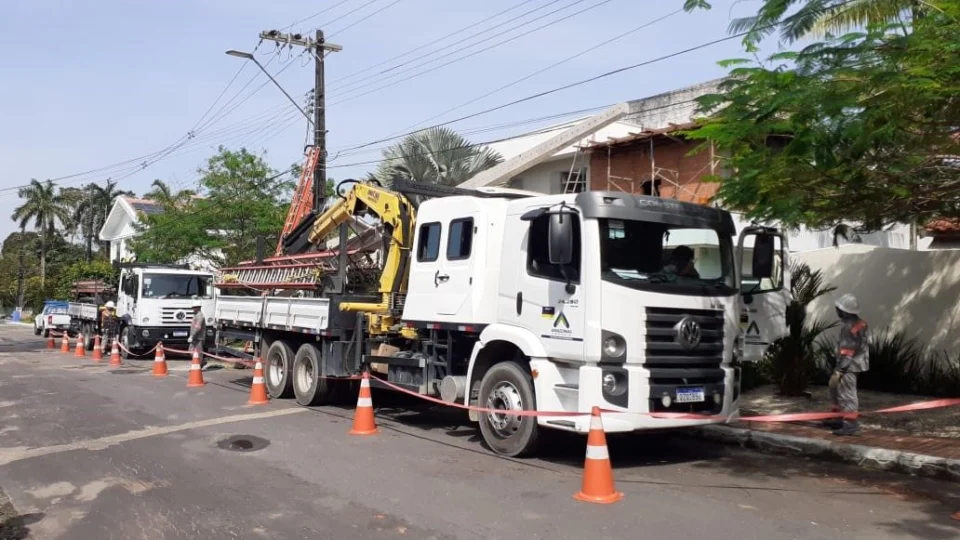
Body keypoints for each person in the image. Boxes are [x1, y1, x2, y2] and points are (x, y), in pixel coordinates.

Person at [827, 293, 870, 436]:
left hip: (848, 365)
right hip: (854, 363)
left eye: (838, 308)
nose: (836, 310)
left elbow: (847, 351)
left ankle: (850, 425)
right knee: (834, 388)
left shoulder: (848, 327)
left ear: (844, 310)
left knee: (846, 394)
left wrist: (839, 371)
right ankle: (838, 418)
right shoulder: (860, 323)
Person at [189, 301, 207, 367]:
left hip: (198, 337)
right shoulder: (196, 315)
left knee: (198, 352)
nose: (193, 309)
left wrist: (192, 336)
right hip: (195, 337)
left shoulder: (200, 316)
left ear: (198, 308)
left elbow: (197, 327)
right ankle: (201, 362)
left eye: (194, 308)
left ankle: (199, 365)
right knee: (191, 351)